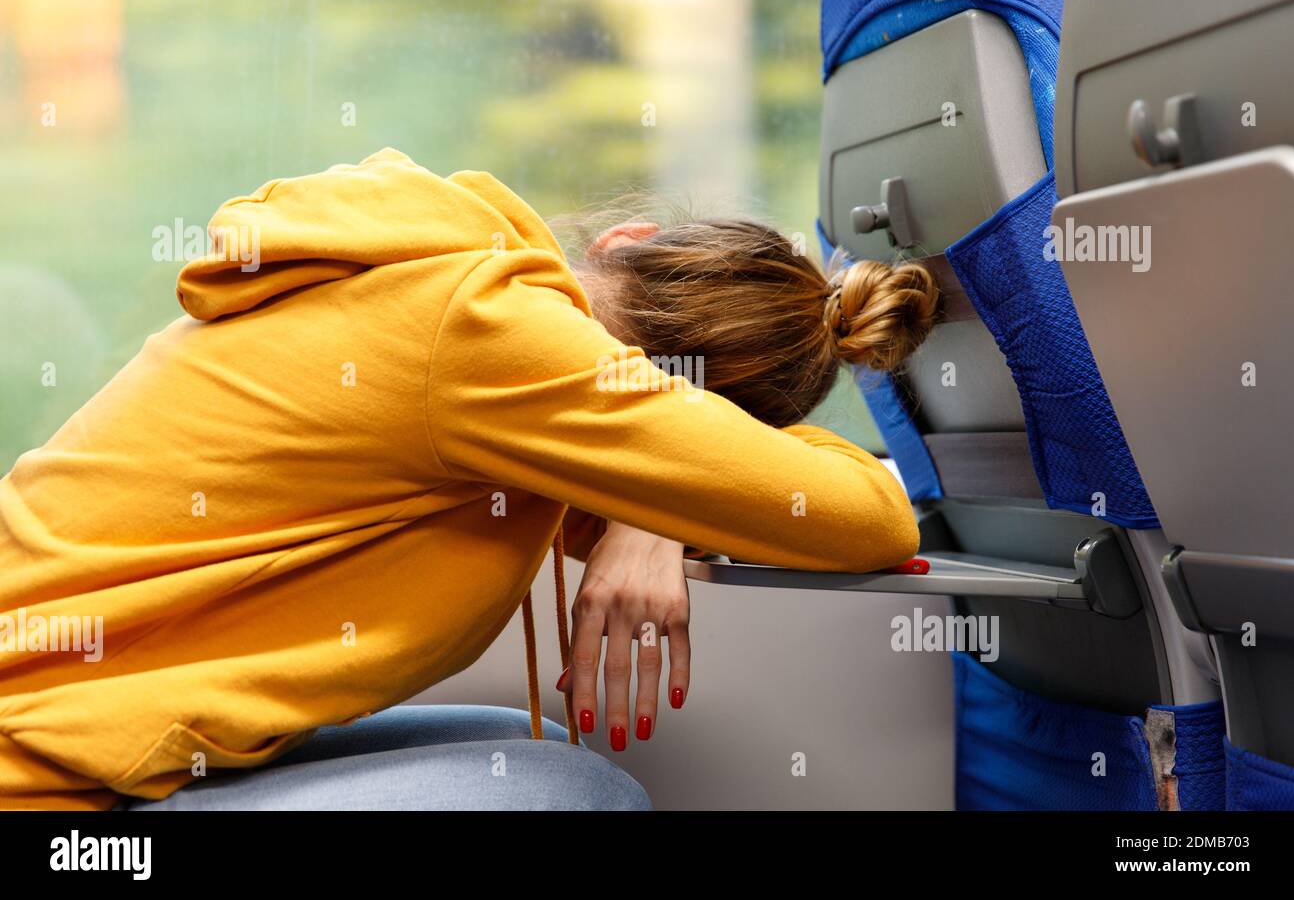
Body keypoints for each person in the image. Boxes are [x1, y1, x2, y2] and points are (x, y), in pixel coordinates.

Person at [0, 148, 937, 809]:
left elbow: (771, 490)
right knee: (577, 793)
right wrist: (661, 493)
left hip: (57, 726)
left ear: (628, 237)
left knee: (520, 747)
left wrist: (650, 502)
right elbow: (873, 517)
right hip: (41, 776)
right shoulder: (500, 339)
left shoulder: (460, 289)